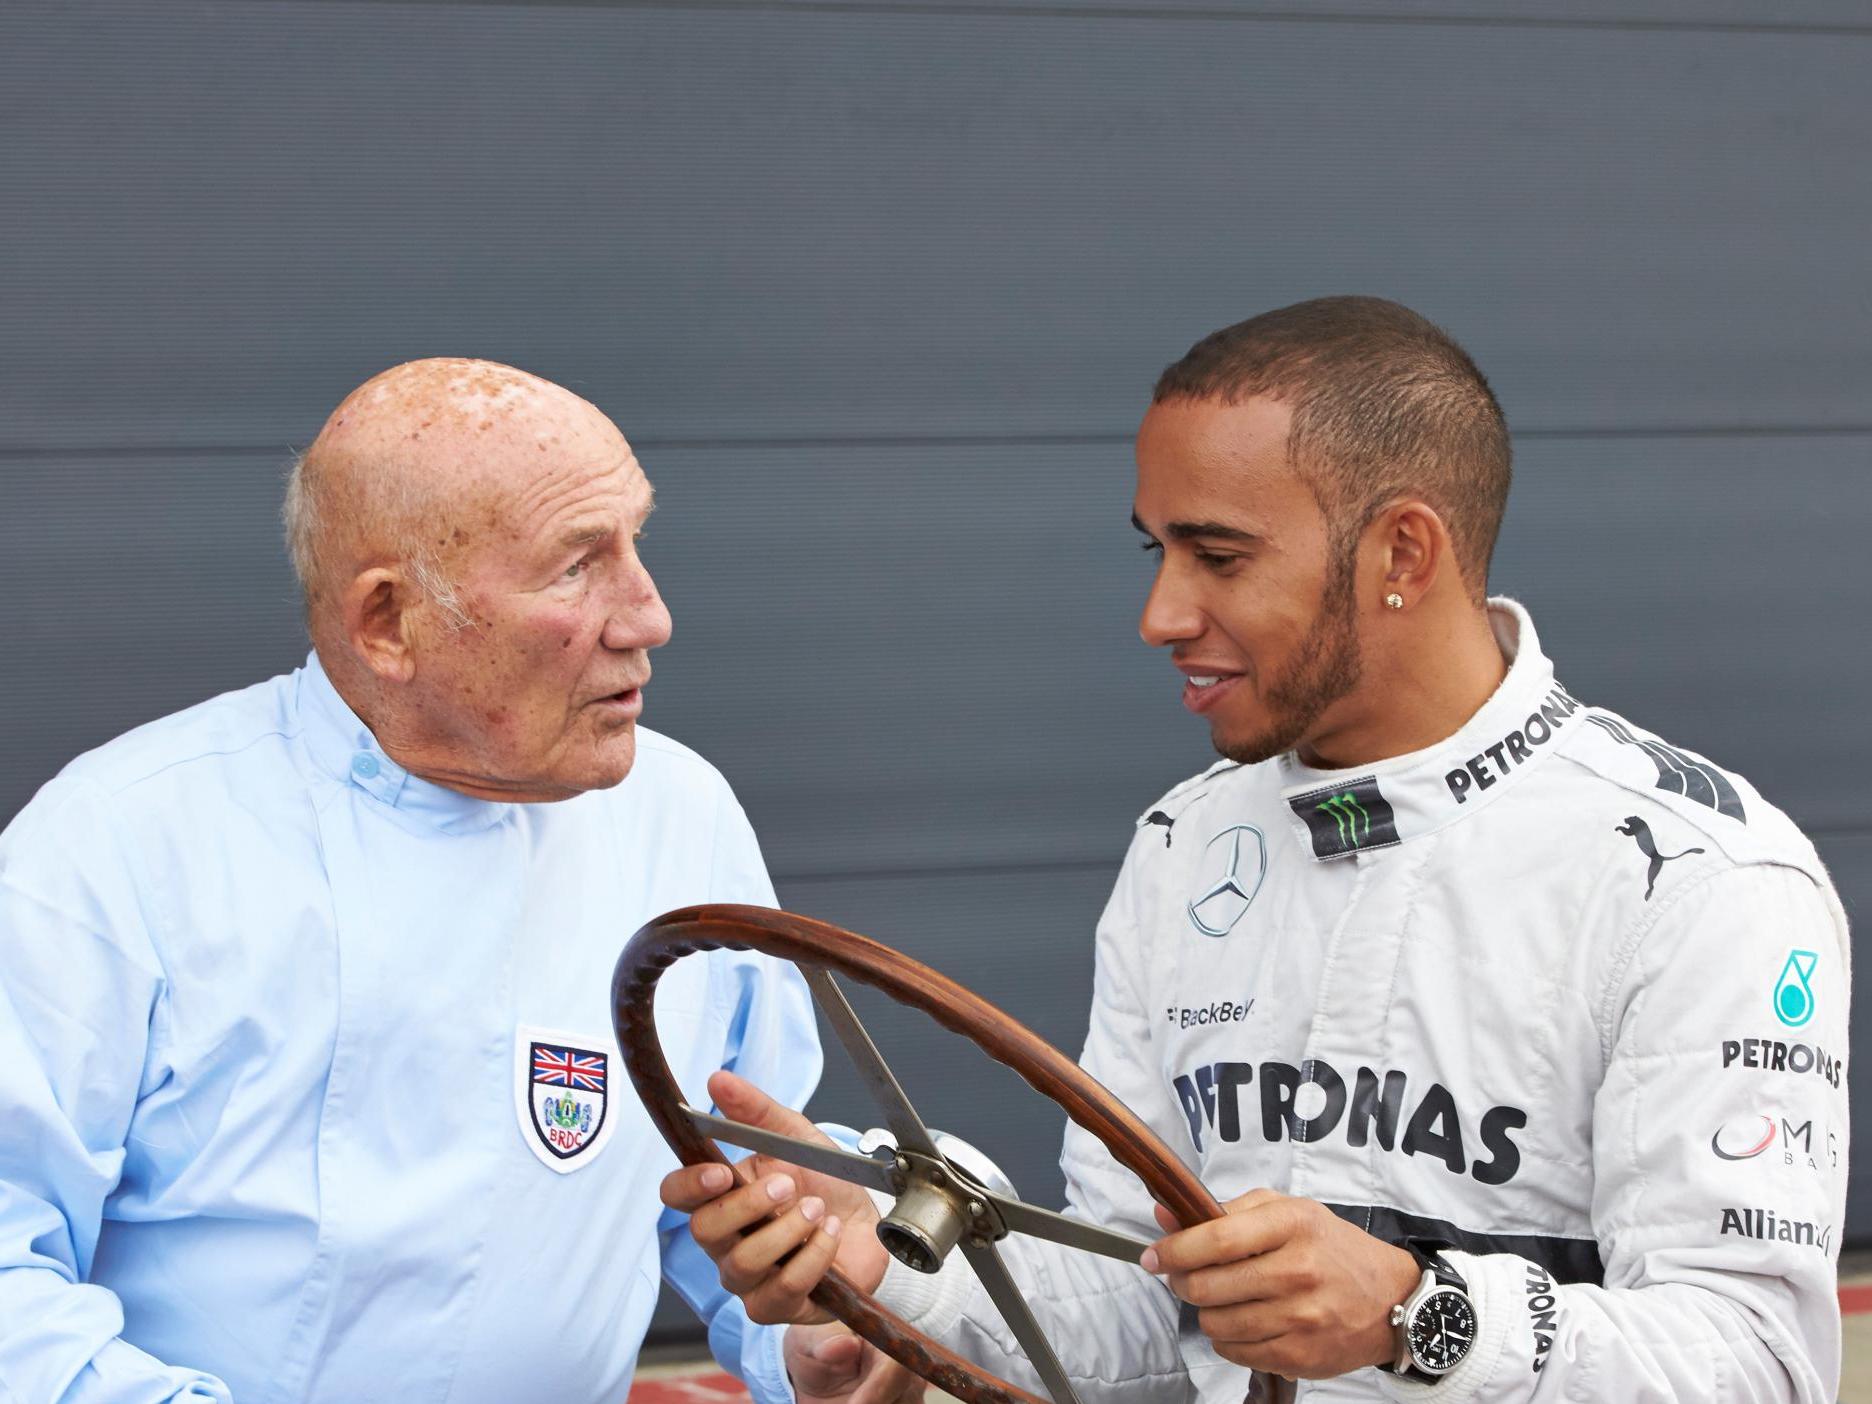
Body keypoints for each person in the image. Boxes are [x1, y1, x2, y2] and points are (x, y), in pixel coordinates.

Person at [663, 298, 1851, 1402]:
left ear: (1403, 554)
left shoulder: (1696, 876)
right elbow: (1141, 1313)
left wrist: (1417, 1313)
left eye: (1219, 558)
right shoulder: (1188, 844)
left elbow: (1755, 1362)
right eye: (1156, 553)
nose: (1162, 615)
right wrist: (884, 1261)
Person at [0, 359, 877, 1403]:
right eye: (575, 567)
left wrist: (813, 1343)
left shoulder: (680, 816)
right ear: (388, 624)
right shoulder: (122, 844)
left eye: (638, 544)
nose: (649, 616)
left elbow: (737, 1202)